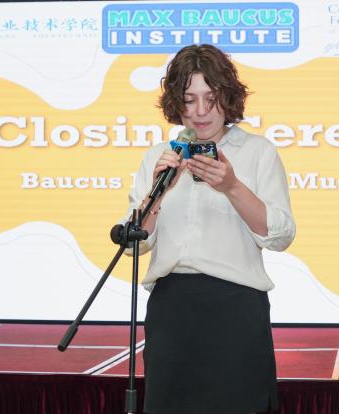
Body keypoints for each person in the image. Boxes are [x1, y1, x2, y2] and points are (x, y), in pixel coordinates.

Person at [124, 44, 296, 414]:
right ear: (176, 102)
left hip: (236, 307)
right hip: (171, 308)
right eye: (189, 100)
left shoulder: (258, 151)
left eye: (211, 98)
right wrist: (157, 193)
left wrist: (232, 186)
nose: (200, 111)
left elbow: (281, 236)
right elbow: (132, 245)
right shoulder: (158, 156)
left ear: (228, 97)